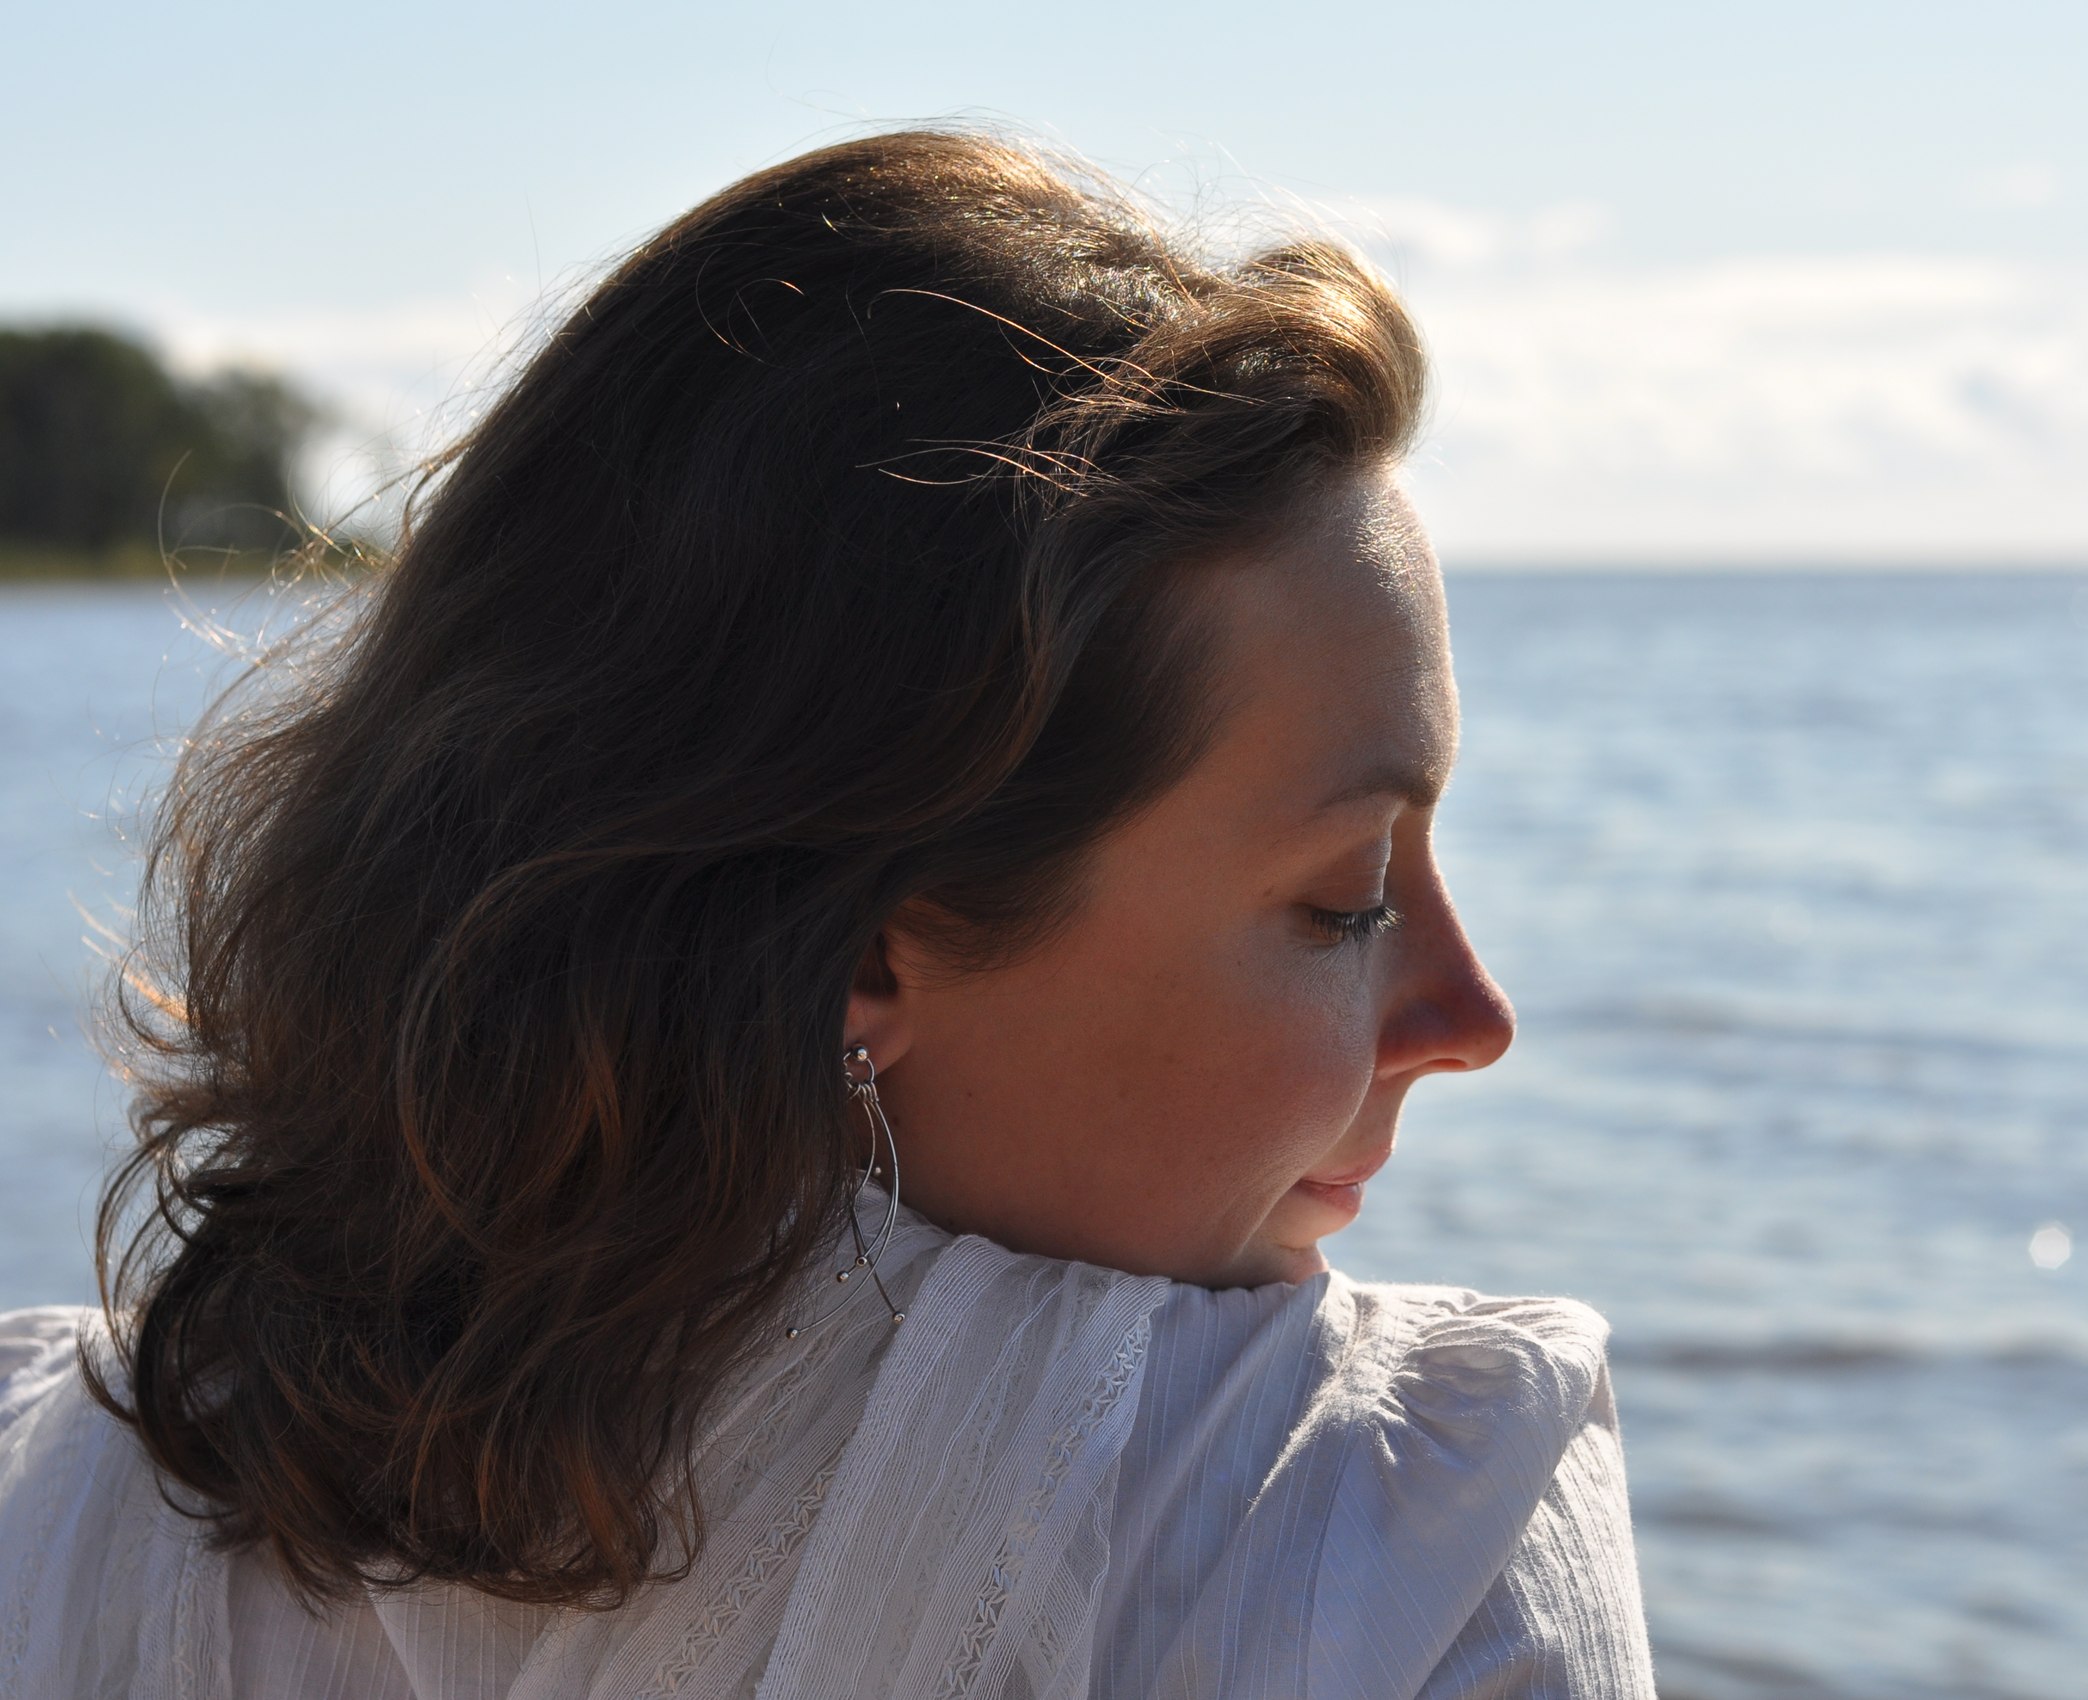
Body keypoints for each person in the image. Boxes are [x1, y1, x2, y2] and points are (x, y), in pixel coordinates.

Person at [0, 130, 1654, 1698]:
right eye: (1344, 901)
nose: (1473, 1015)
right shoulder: (1400, 1526)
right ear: (853, 954)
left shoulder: (56, 1498)